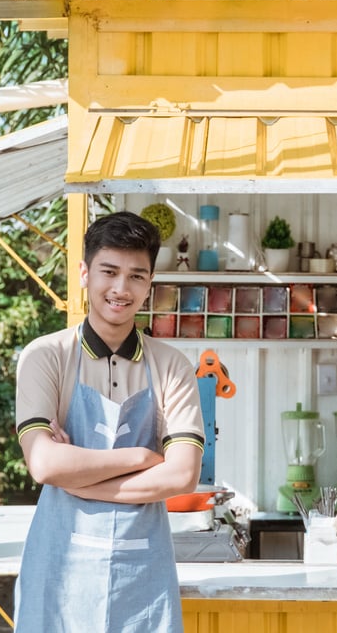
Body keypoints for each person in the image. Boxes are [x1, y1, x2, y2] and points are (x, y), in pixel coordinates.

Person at [12, 211, 205, 632]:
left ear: (150, 281)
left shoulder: (171, 366)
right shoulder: (46, 356)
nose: (121, 288)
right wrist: (141, 455)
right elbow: (44, 465)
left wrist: (77, 478)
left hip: (143, 573)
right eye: (109, 271)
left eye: (137, 275)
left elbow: (183, 475)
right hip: (58, 572)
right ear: (84, 273)